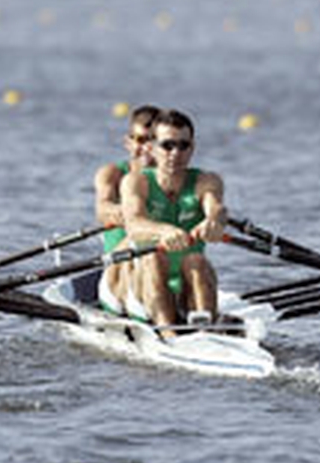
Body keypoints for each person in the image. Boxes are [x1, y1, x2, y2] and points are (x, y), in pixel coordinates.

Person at [120, 109, 226, 335]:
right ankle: (168, 333)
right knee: (154, 258)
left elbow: (215, 208)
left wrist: (214, 221)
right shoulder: (136, 182)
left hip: (188, 283)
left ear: (192, 148)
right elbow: (133, 223)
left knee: (196, 260)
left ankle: (206, 334)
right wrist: (163, 231)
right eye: (167, 145)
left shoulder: (207, 181)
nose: (175, 153)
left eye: (183, 145)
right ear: (151, 147)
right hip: (144, 283)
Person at [94, 105, 160, 315]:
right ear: (128, 143)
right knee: (143, 241)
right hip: (120, 272)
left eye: (153, 140)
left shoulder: (179, 181)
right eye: (140, 140)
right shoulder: (112, 174)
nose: (146, 148)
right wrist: (130, 213)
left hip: (163, 271)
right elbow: (103, 208)